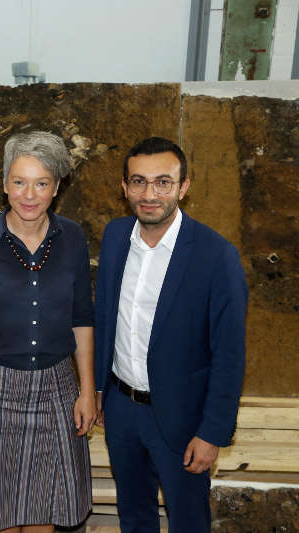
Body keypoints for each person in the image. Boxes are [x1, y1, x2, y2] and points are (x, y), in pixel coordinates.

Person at [94, 137, 248, 532]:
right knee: (135, 516)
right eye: (139, 181)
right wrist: (98, 391)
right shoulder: (114, 237)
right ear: (124, 186)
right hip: (121, 409)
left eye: (163, 182)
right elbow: (106, 317)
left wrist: (212, 432)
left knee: (188, 522)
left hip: (183, 419)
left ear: (184, 187)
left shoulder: (217, 256)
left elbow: (229, 354)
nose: (150, 194)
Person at [0, 131, 95, 533]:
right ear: (4, 184)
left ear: (56, 188)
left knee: (44, 515)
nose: (28, 194)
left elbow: (82, 319)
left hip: (57, 390)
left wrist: (87, 391)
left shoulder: (73, 239)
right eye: (19, 181)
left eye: (41, 183)